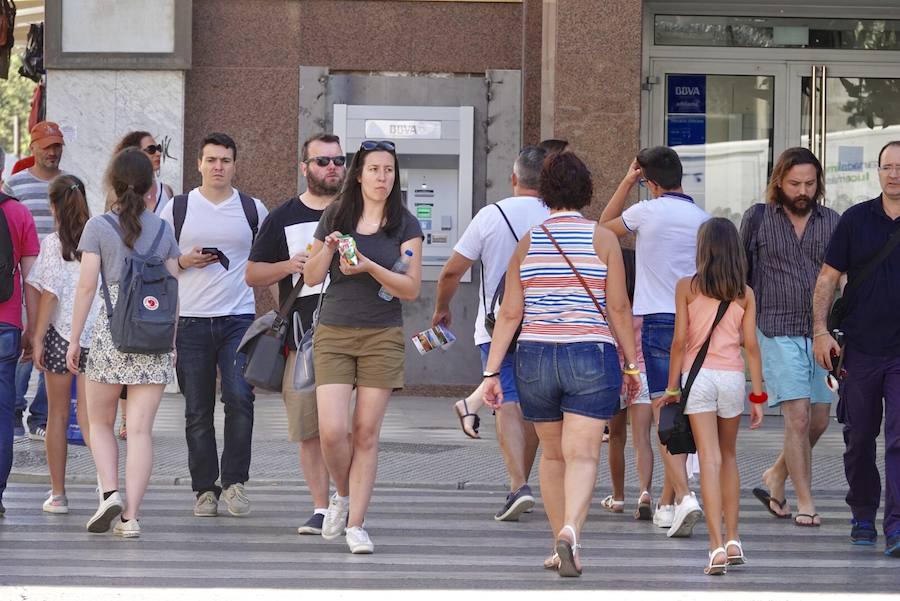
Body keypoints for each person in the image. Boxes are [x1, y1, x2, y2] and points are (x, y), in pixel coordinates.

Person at [484, 151, 641, 577]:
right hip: (590, 353)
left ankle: (558, 542)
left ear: (546, 193)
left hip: (534, 357)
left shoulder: (528, 241)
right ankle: (571, 531)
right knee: (584, 455)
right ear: (586, 190)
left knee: (552, 457)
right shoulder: (602, 239)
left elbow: (511, 315)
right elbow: (620, 309)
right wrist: (631, 364)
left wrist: (491, 372)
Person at [304, 139, 423, 554]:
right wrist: (331, 248)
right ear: (359, 174)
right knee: (333, 432)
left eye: (388, 170)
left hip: (382, 336)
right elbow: (313, 277)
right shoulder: (337, 214)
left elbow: (410, 287)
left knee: (366, 433)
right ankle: (342, 492)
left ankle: (356, 525)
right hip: (334, 332)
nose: (381, 177)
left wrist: (370, 267)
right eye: (374, 169)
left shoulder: (406, 225)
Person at [68, 147, 180, 537]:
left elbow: (85, 289)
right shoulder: (164, 230)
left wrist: (74, 339)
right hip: (153, 338)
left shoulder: (98, 227)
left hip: (110, 336)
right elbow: (171, 290)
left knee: (98, 423)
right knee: (140, 432)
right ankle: (131, 517)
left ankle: (110, 492)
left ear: (111, 184)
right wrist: (173, 342)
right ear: (151, 188)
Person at [432, 145, 549, 517]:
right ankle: (521, 484)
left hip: (497, 325)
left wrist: (442, 307)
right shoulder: (559, 216)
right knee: (533, 407)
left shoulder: (491, 215)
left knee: (507, 400)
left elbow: (451, 271)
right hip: (546, 328)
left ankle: (518, 485)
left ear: (514, 178)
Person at [600, 146, 710, 537]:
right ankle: (665, 503)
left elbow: (604, 224)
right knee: (681, 411)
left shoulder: (647, 210)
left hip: (659, 322)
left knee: (665, 413)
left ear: (650, 182)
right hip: (697, 322)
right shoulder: (702, 218)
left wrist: (628, 181)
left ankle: (684, 494)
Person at [160, 132, 268, 518]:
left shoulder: (254, 209)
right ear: (199, 164)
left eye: (225, 160)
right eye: (211, 160)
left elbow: (268, 260)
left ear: (235, 165)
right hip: (190, 321)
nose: (218, 167)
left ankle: (235, 483)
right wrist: (183, 262)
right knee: (197, 409)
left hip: (238, 319)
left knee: (240, 398)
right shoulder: (178, 208)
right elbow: (157, 262)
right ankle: (205, 489)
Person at [246, 132, 346, 534]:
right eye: (322, 162)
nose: (332, 168)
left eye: (339, 160)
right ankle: (322, 507)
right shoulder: (283, 216)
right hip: (302, 335)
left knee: (344, 428)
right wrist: (289, 265)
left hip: (351, 328)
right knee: (308, 428)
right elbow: (252, 274)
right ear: (304, 168)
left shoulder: (357, 211)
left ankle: (347, 501)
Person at [657, 218, 765, 575]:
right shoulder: (744, 293)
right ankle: (735, 539)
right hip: (732, 379)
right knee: (729, 457)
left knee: (709, 457)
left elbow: (678, 343)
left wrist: (673, 388)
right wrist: (758, 395)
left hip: (698, 379)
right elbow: (750, 346)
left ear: (703, 250)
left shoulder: (687, 287)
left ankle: (716, 545)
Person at [741, 148, 840, 526]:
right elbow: (742, 275)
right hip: (775, 329)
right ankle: (805, 502)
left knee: (818, 421)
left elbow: (842, 276)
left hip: (821, 334)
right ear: (778, 182)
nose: (802, 191)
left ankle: (777, 475)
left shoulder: (832, 221)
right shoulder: (758, 218)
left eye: (810, 184)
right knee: (796, 419)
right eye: (795, 183)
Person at [812, 140, 900, 557]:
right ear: (877, 171)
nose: (893, 174)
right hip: (861, 350)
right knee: (859, 437)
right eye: (886, 166)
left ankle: (897, 525)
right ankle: (863, 514)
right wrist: (819, 331)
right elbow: (828, 278)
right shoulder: (855, 220)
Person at [27, 175, 99, 514]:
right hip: (96, 335)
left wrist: (37, 337)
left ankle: (58, 495)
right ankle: (106, 489)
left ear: (53, 206)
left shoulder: (54, 243)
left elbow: (50, 293)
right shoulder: (101, 237)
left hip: (60, 335)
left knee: (57, 415)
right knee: (93, 419)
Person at [2, 121, 67, 441]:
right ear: (33, 147)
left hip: (60, 281)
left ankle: (41, 416)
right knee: (24, 348)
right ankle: (13, 411)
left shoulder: (71, 184)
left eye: (57, 146)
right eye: (47, 146)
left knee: (54, 347)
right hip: (27, 280)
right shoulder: (16, 185)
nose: (53, 152)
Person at [600, 248, 655, 520]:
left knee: (616, 439)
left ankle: (619, 497)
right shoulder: (647, 304)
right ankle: (645, 492)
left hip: (615, 374)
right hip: (643, 373)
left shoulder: (609, 305)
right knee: (642, 439)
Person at [0, 176, 40, 517]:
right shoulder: (19, 213)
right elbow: (30, 279)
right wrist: (33, 330)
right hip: (7, 325)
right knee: (1, 414)